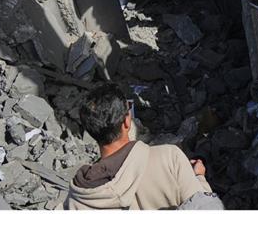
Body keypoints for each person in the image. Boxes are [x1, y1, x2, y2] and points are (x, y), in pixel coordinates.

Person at [64, 85, 221, 210]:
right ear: (127, 122)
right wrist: (199, 178)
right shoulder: (169, 158)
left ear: (90, 131)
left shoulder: (80, 198)